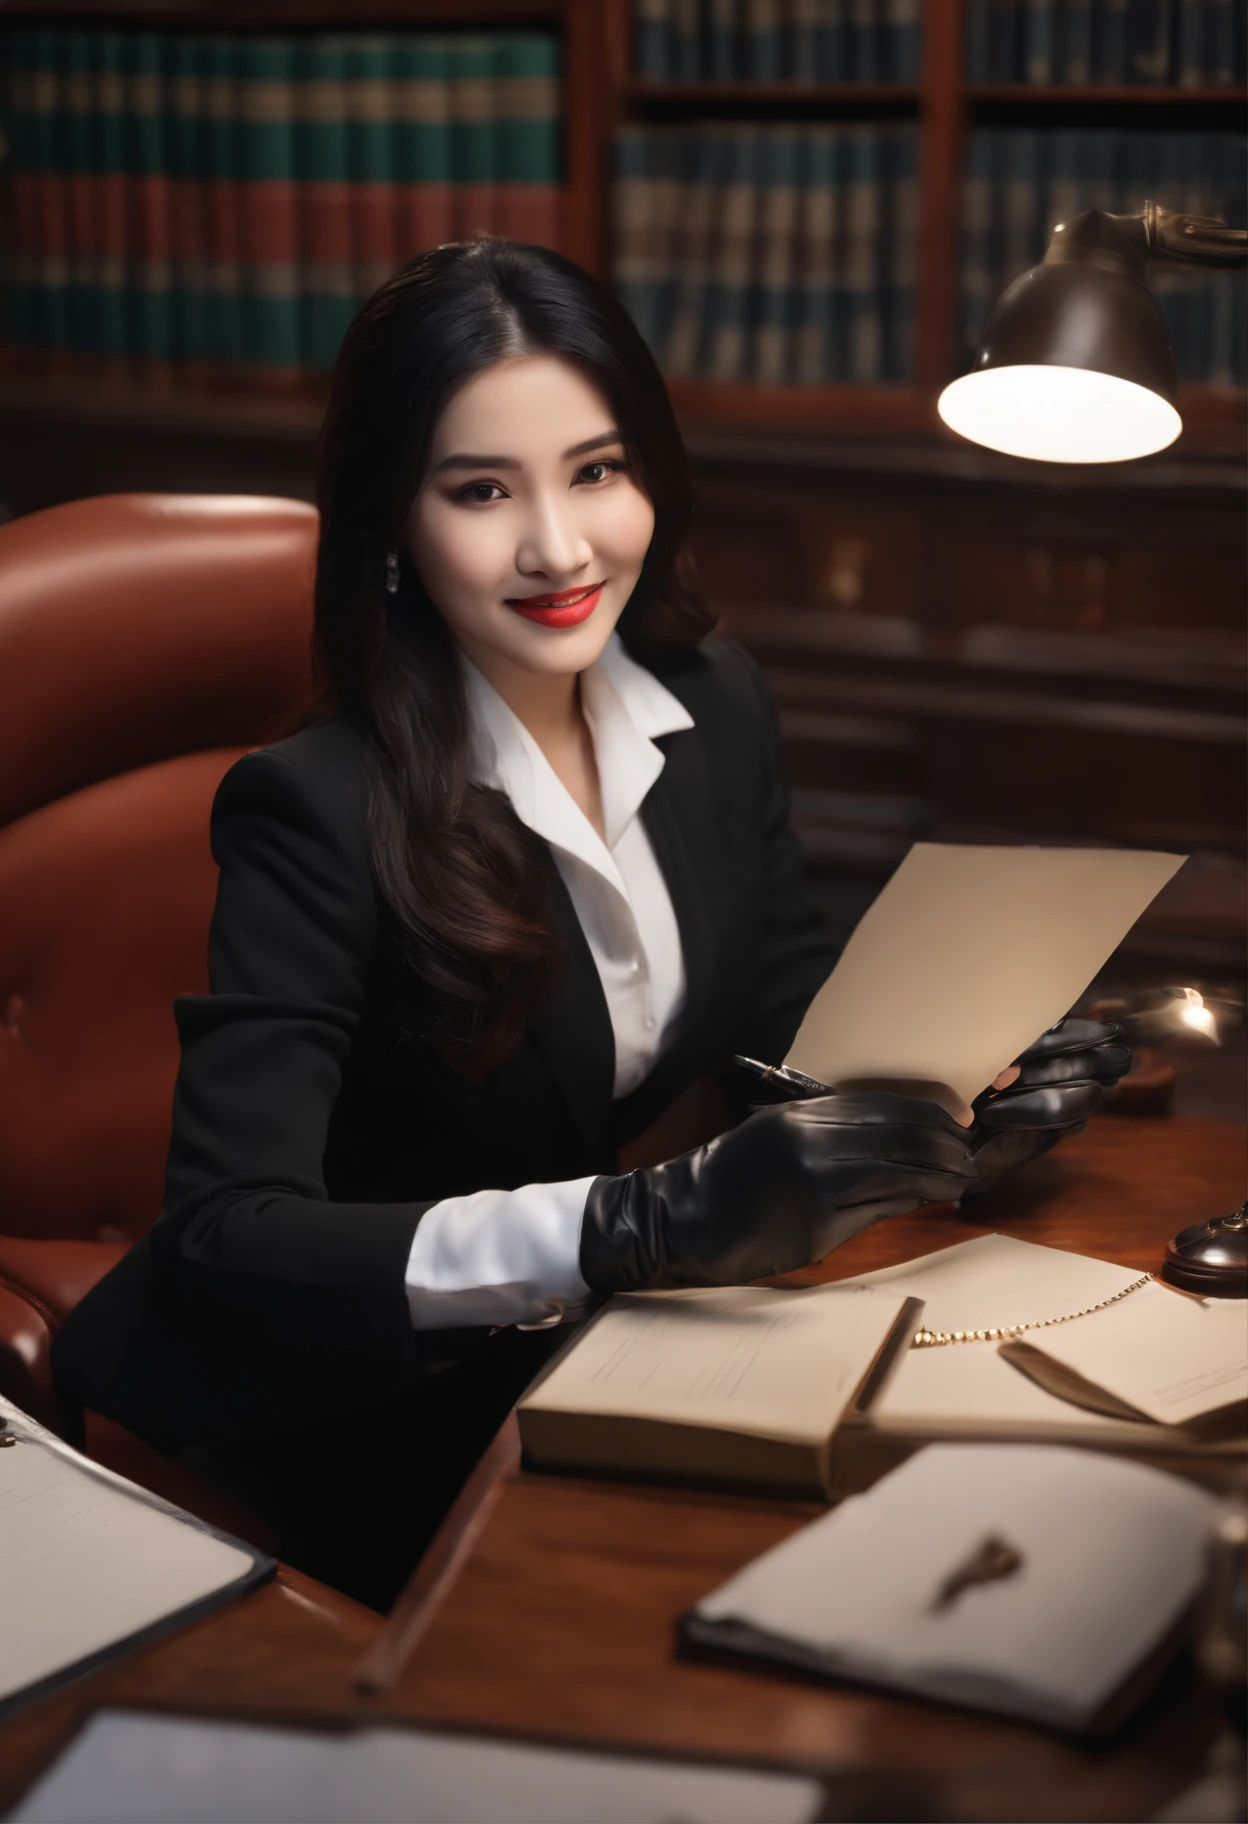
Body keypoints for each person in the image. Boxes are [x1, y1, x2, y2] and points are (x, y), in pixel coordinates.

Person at [52, 241, 1129, 1609]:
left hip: (616, 1346)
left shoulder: (712, 700)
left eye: (596, 471)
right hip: (352, 1409)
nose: (558, 548)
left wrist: (970, 1096)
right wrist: (632, 1225)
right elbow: (225, 1234)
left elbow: (778, 997)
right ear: (392, 518)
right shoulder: (312, 805)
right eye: (481, 490)